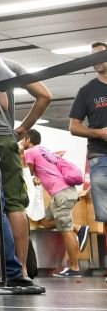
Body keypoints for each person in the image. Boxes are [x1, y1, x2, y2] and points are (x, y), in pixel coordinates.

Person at [0, 57, 52, 278]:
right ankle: (21, 269)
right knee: (15, 205)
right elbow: (44, 95)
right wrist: (22, 128)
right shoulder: (9, 65)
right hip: (6, 140)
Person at [22, 129, 88, 278]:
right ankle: (78, 228)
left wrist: (32, 177)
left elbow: (28, 174)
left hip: (61, 194)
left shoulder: (30, 152)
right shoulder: (44, 150)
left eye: (22, 139)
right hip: (63, 192)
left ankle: (74, 268)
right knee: (45, 221)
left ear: (27, 139)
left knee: (66, 231)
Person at [68, 41, 107, 260]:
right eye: (91, 57)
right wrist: (99, 132)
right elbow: (74, 126)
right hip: (101, 157)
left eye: (99, 56)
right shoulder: (87, 91)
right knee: (106, 215)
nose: (95, 61)